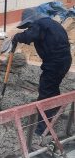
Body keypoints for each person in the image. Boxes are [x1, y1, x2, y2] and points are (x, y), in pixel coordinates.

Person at [12, 8, 72, 139]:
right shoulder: (52, 24)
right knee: (53, 87)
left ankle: (43, 128)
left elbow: (29, 36)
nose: (28, 28)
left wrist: (16, 37)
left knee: (45, 91)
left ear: (32, 21)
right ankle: (55, 110)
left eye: (28, 25)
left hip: (55, 62)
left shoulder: (39, 24)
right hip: (65, 60)